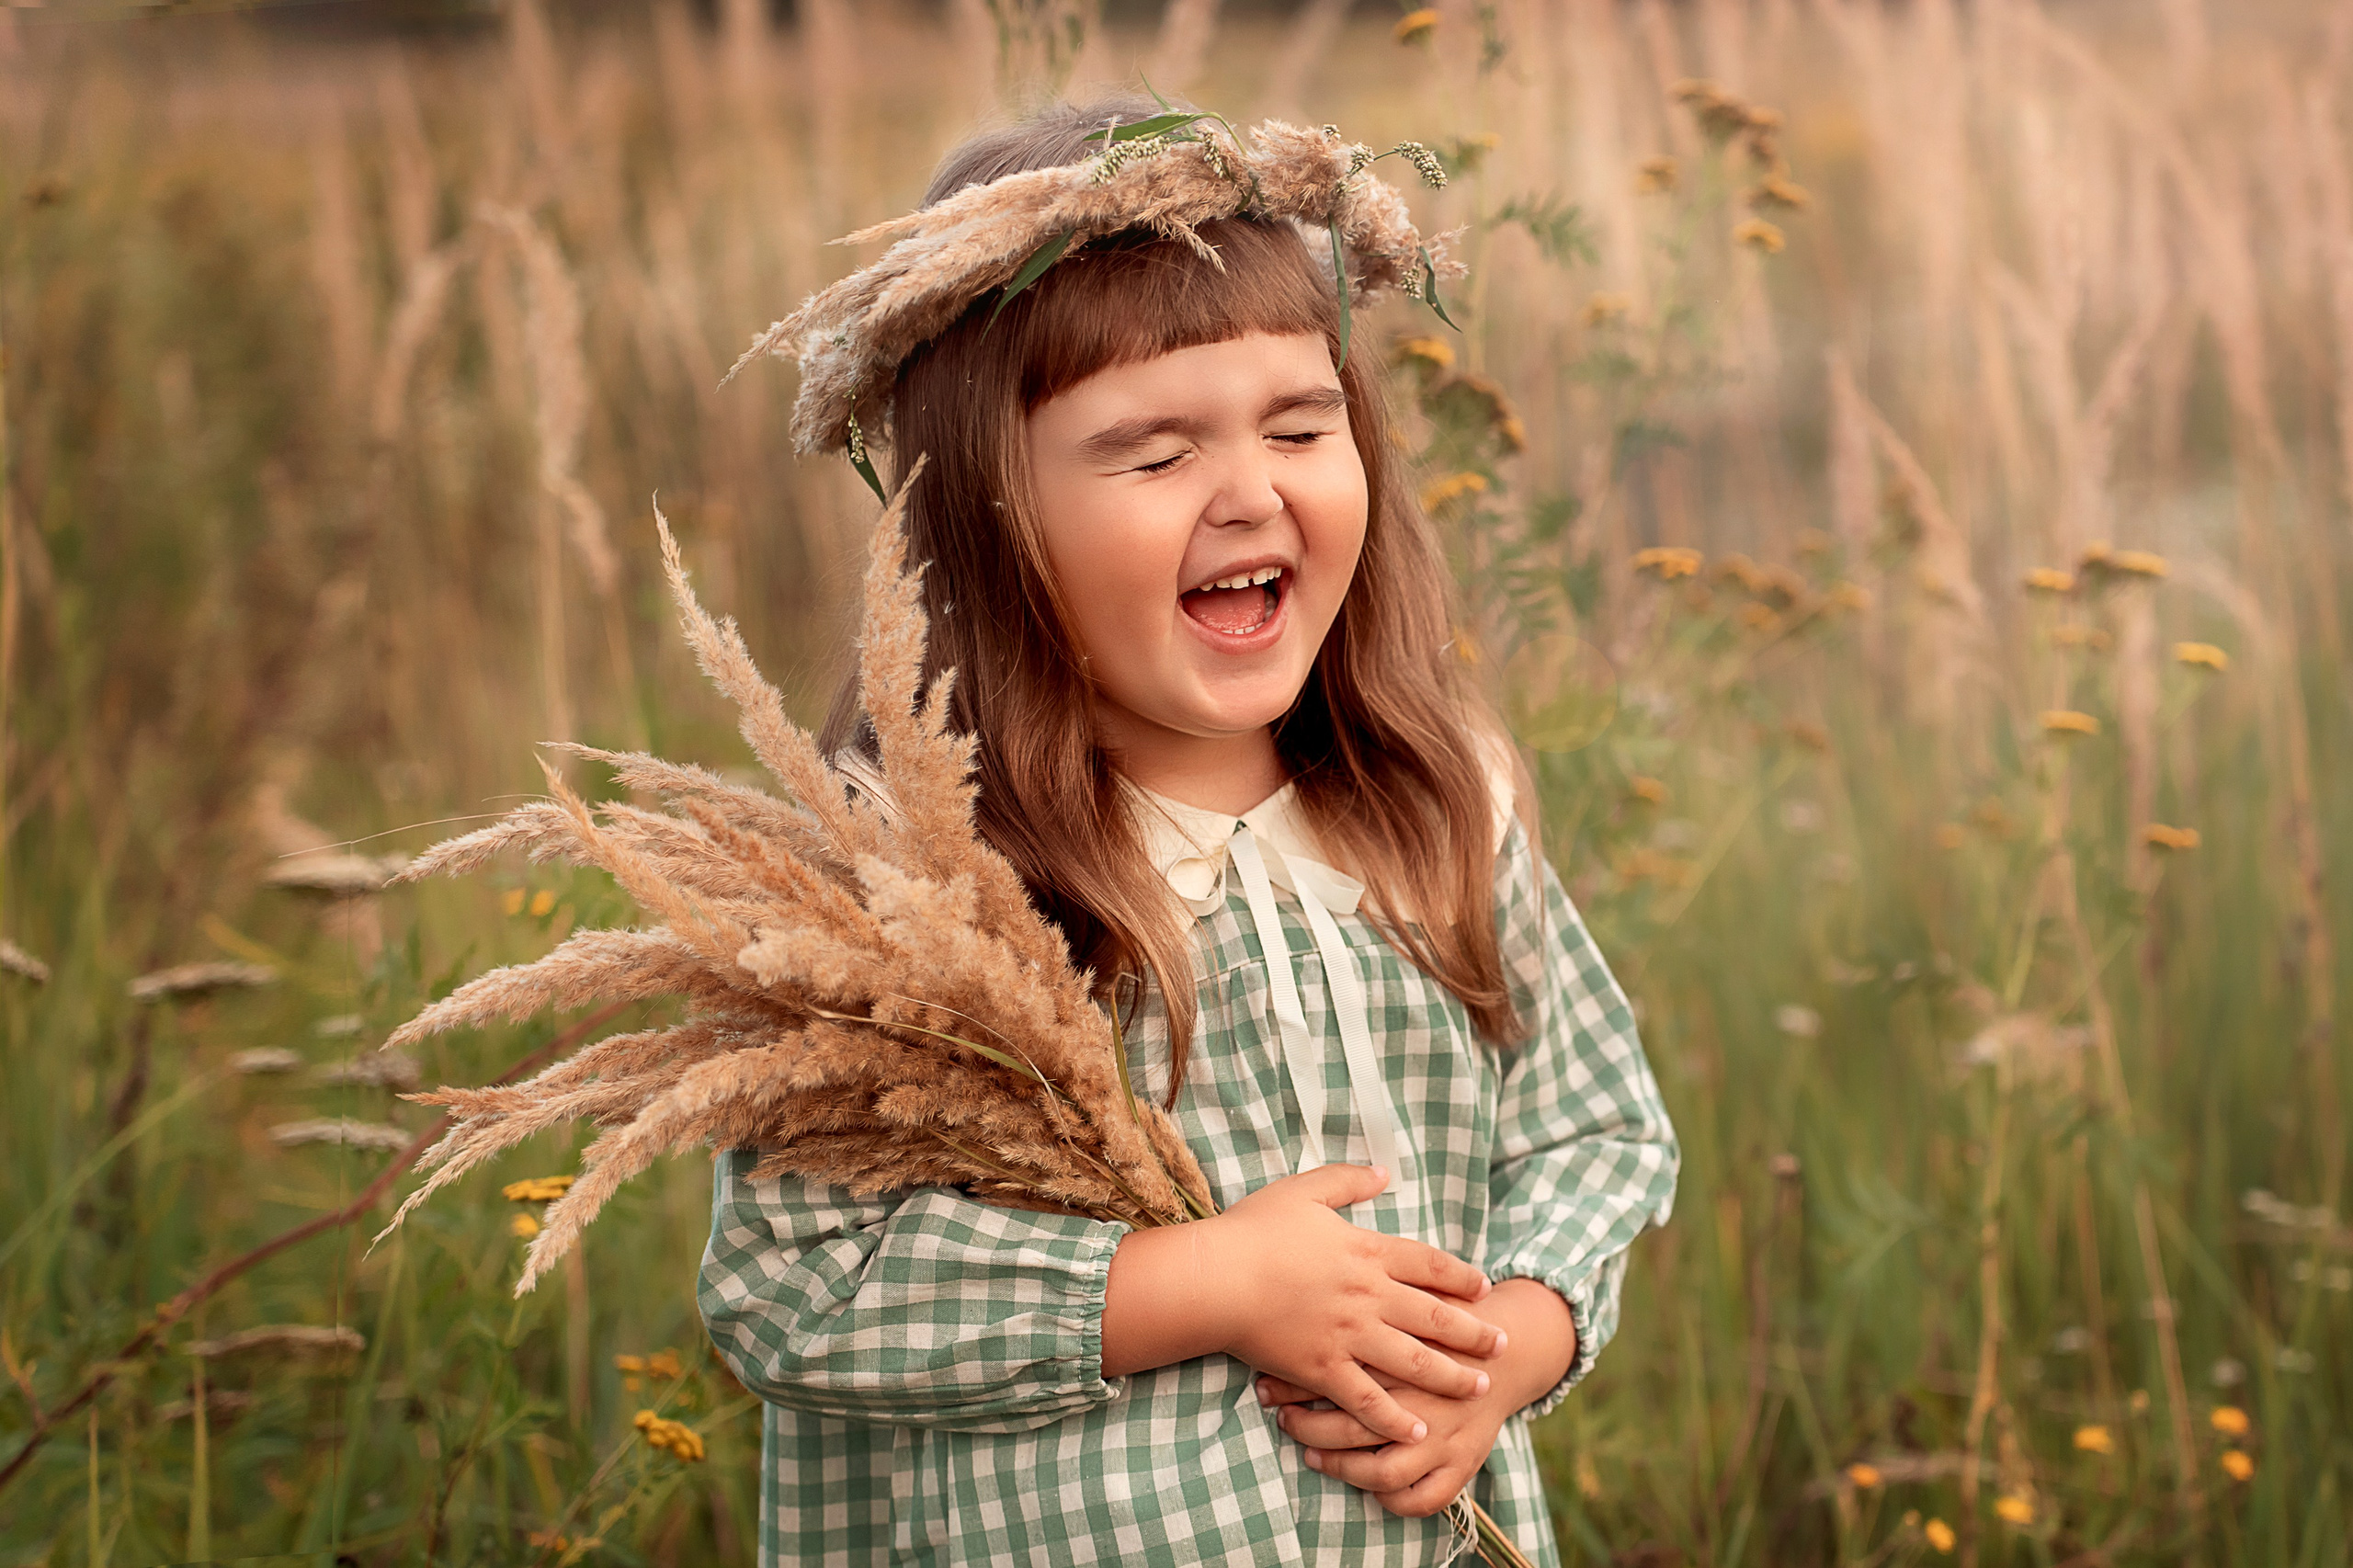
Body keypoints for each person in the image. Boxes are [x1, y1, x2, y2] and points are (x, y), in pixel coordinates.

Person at [699, 96, 1678, 1567]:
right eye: (1152, 455)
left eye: (1300, 423)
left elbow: (1595, 1125)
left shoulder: (1432, 803)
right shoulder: (918, 886)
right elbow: (796, 1287)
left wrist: (1513, 1344)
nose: (1251, 490)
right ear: (982, 516)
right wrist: (1207, 1283)